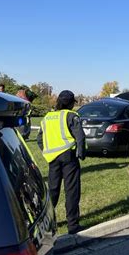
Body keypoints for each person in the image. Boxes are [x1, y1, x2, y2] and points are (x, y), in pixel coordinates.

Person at [37, 90, 86, 234]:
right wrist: (81, 154)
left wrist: (47, 151)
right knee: (71, 190)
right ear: (71, 103)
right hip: (69, 157)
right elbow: (80, 137)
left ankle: (47, 223)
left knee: (53, 190)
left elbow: (40, 139)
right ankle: (72, 225)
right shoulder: (71, 116)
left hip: (52, 159)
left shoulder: (47, 117)